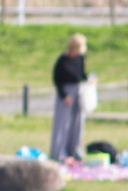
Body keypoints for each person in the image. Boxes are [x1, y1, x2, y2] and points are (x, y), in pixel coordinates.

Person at [50, 33, 89, 162]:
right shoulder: (63, 60)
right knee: (62, 123)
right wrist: (64, 95)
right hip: (66, 93)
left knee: (77, 121)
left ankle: (75, 150)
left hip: (79, 90)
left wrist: (89, 79)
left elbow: (81, 74)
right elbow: (57, 79)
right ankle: (59, 152)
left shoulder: (80, 58)